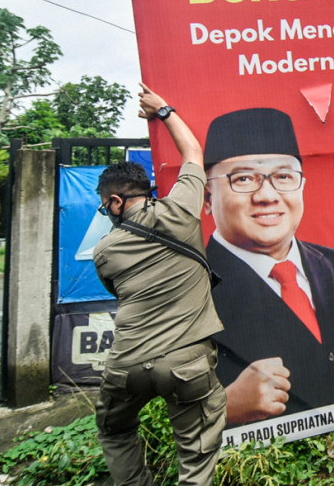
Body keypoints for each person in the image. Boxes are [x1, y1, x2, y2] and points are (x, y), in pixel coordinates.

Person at [203, 107, 334, 424]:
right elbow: (154, 411)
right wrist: (223, 409)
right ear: (207, 197)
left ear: (302, 186)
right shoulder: (187, 288)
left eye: (283, 177)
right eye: (243, 179)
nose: (267, 196)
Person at [93, 83, 225, 486]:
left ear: (116, 202)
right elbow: (193, 154)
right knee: (196, 454)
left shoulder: (105, 251)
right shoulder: (183, 211)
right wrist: (163, 109)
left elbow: (117, 291)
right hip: (186, 363)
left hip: (127, 364)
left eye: (104, 205)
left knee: (114, 430)